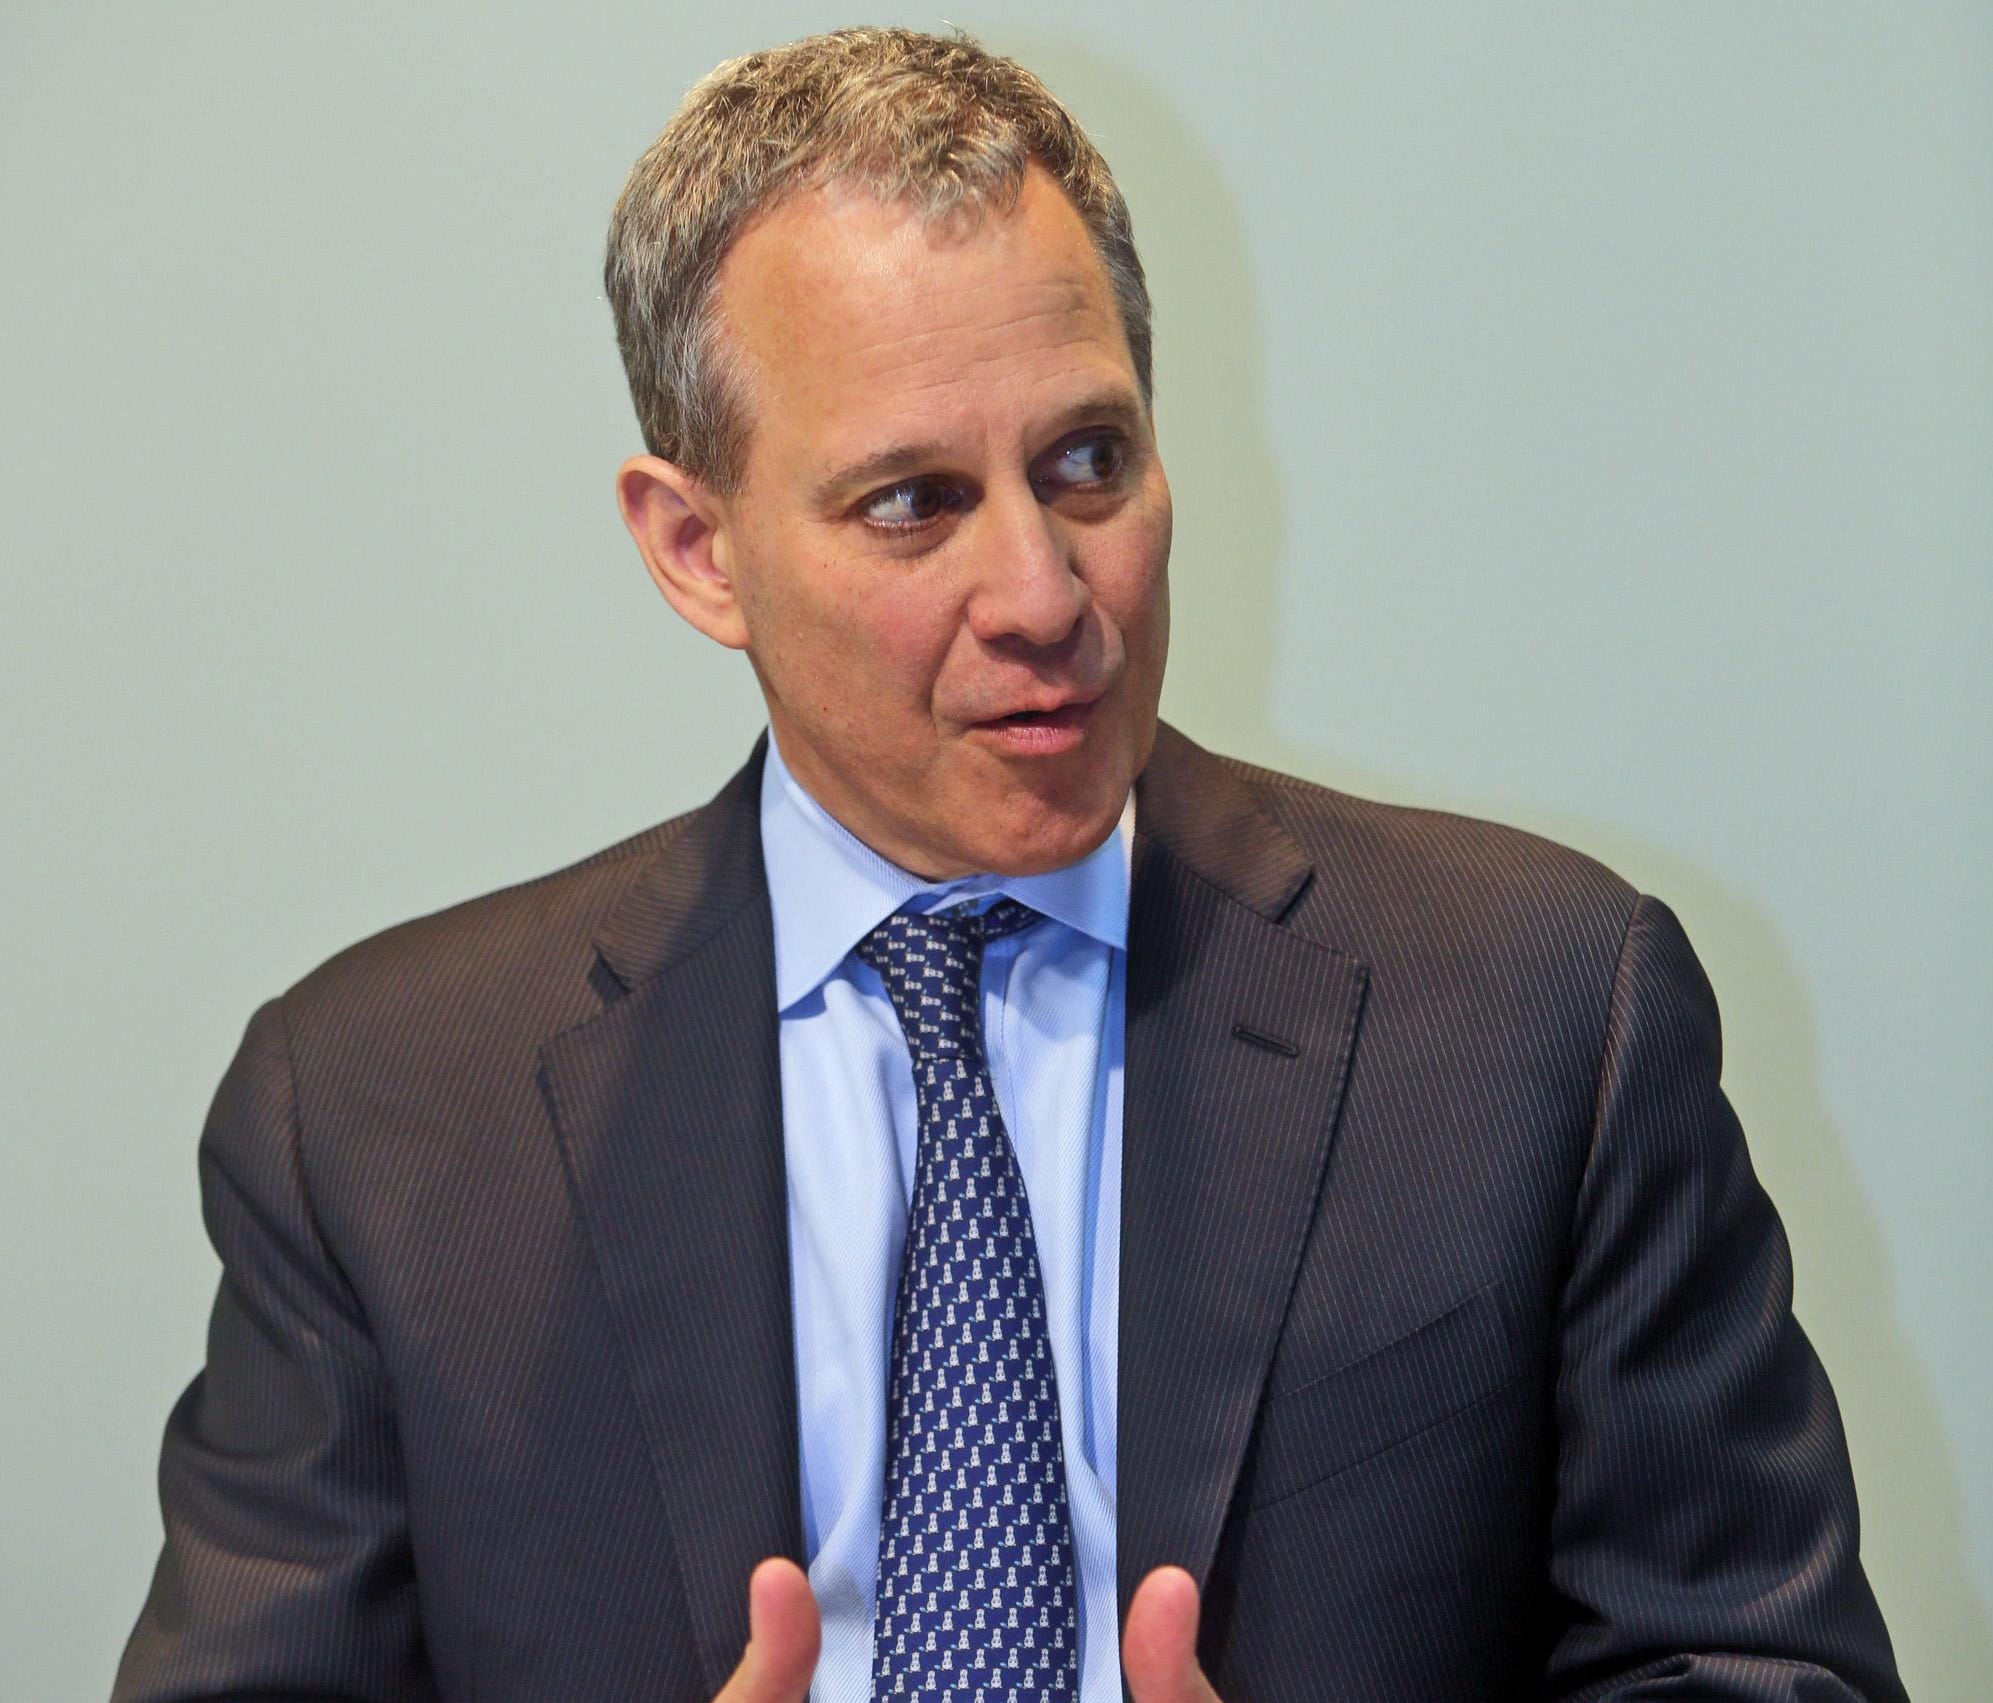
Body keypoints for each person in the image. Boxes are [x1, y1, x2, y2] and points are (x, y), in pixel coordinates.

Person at [113, 26, 1907, 1703]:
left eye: (1087, 462)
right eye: (912, 502)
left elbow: (1763, 1675)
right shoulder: (380, 1116)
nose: (1044, 594)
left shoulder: (1539, 1016)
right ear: (696, 549)